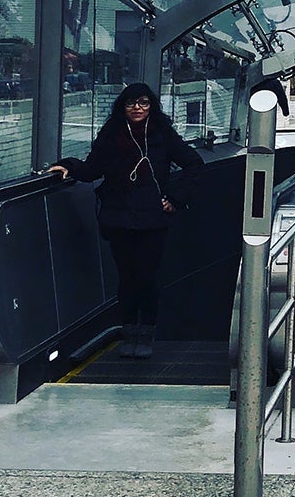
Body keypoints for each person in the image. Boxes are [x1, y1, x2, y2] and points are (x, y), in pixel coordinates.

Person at [47, 82, 204, 360]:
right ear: (122, 106)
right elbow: (92, 168)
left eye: (143, 102)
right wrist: (68, 166)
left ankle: (147, 335)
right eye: (131, 103)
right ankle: (129, 333)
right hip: (119, 218)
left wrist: (175, 198)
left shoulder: (162, 134)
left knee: (147, 278)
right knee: (126, 279)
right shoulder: (111, 135)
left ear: (151, 106)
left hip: (153, 220)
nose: (137, 108)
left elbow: (193, 163)